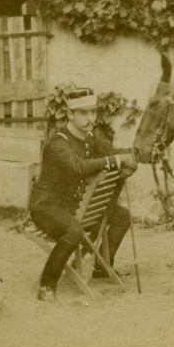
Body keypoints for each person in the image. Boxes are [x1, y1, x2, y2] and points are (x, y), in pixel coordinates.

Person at [30, 87, 138, 302]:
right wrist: (118, 161)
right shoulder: (57, 142)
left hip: (74, 205)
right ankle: (46, 285)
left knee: (122, 216)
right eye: (83, 113)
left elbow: (113, 154)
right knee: (74, 231)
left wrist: (129, 163)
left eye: (93, 112)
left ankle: (101, 267)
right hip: (46, 206)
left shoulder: (91, 139)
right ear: (70, 115)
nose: (91, 119)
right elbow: (79, 167)